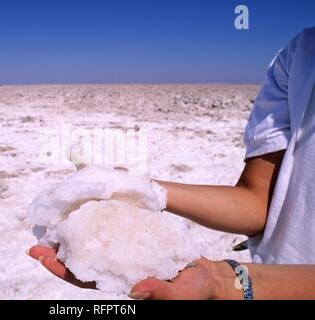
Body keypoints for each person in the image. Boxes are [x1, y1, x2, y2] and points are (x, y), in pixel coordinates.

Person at [28, 27, 315, 299]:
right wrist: (136, 187)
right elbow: (258, 202)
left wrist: (226, 285)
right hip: (266, 276)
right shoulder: (299, 55)